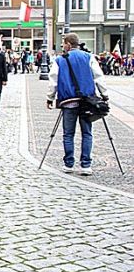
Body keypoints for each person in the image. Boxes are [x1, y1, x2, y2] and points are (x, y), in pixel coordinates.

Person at [47, 33, 109, 176]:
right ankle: (86, 165)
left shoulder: (59, 60)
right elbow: (99, 77)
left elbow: (53, 81)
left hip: (68, 101)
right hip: (87, 102)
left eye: (64, 44)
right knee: (87, 133)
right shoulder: (88, 57)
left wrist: (50, 98)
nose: (63, 47)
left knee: (68, 134)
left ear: (68, 44)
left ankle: (69, 164)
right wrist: (104, 95)